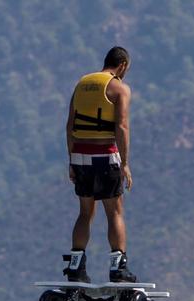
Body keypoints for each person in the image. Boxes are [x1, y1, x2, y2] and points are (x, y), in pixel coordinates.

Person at [62, 46, 138, 283]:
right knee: (114, 211)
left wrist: (71, 160)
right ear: (122, 65)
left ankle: (76, 266)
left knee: (85, 213)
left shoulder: (82, 84)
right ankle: (118, 268)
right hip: (105, 156)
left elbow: (69, 126)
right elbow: (122, 126)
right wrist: (124, 163)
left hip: (80, 156)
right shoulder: (119, 88)